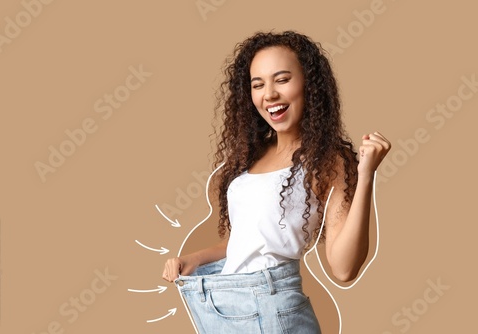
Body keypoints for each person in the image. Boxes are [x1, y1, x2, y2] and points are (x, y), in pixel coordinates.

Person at [162, 30, 391, 333]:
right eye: (258, 84)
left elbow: (344, 268)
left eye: (282, 80)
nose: (268, 93)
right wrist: (193, 259)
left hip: (273, 312)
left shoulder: (326, 160)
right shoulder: (252, 156)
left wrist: (366, 176)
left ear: (310, 85)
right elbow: (244, 242)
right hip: (223, 307)